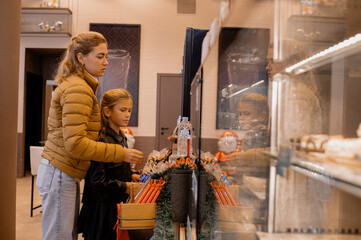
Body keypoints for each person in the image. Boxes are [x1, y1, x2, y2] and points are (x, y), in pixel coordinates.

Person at [36, 32, 143, 240]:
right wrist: (120, 153)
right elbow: (75, 144)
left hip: (64, 172)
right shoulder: (78, 89)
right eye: (100, 56)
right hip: (60, 172)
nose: (106, 62)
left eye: (106, 56)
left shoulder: (80, 85)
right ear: (81, 57)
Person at [78, 88, 141, 240]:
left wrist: (132, 176)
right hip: (102, 212)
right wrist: (125, 186)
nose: (127, 114)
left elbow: (118, 170)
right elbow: (97, 181)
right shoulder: (101, 140)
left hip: (116, 205)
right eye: (123, 110)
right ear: (107, 111)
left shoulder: (121, 137)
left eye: (129, 110)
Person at [227, 92, 270, 167]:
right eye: (240, 114)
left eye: (246, 114)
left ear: (262, 116)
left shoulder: (263, 136)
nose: (241, 118)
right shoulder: (249, 135)